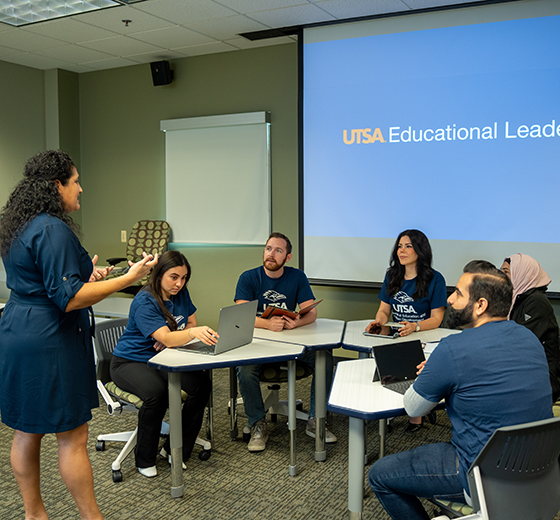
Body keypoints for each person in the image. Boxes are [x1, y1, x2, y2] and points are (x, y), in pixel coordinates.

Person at [0, 150, 158, 520]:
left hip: (17, 328)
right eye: (75, 181)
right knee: (73, 437)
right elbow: (68, 298)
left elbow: (45, 278)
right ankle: (92, 518)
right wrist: (126, 278)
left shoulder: (17, 223)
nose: (81, 189)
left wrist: (88, 274)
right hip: (49, 338)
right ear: (57, 185)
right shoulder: (53, 228)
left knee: (26, 430)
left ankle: (33, 514)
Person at [368, 260, 552, 520]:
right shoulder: (529, 338)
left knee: (380, 475)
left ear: (480, 305)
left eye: (458, 294)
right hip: (537, 468)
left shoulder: (452, 348)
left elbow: (413, 407)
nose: (450, 299)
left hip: (482, 474)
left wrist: (437, 372)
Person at [110, 251, 213, 478]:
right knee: (156, 393)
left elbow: (190, 323)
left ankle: (174, 449)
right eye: (174, 277)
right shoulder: (144, 300)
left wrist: (174, 336)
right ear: (158, 275)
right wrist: (176, 336)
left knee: (201, 385)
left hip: (165, 358)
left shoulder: (180, 293)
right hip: (130, 361)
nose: (179, 283)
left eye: (184, 278)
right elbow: (171, 336)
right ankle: (144, 458)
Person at [234, 232, 336, 451]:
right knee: (244, 369)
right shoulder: (248, 278)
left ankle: (316, 419)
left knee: (324, 358)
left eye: (278, 250)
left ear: (287, 257)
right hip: (259, 343)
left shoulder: (297, 277)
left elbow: (312, 312)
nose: (271, 254)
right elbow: (241, 316)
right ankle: (258, 423)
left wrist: (295, 324)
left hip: (291, 343)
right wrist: (267, 324)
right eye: (268, 248)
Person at [366, 229, 447, 432]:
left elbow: (437, 319)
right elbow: (384, 309)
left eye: (408, 246)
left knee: (415, 365)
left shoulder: (435, 279)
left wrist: (416, 326)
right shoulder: (392, 275)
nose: (401, 251)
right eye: (400, 246)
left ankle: (418, 413)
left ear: (420, 250)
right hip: (398, 334)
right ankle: (389, 412)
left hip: (424, 334)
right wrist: (378, 322)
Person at [501, 253, 560, 402]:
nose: (501, 276)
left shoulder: (536, 302)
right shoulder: (515, 298)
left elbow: (517, 342)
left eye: (506, 272)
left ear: (521, 273)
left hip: (540, 380)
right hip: (520, 369)